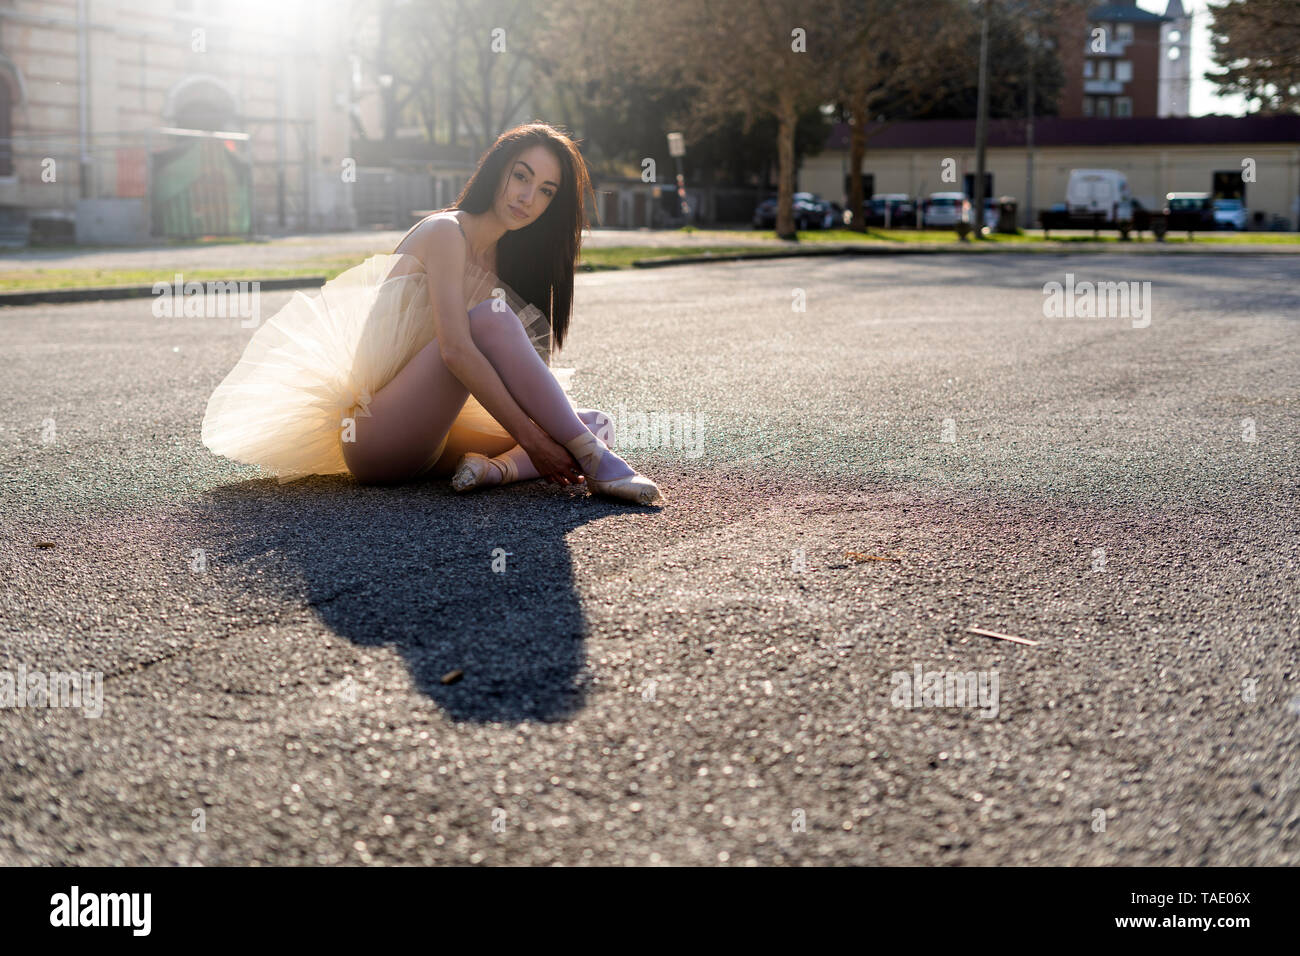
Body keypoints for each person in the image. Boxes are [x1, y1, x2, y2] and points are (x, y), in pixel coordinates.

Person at [201, 122, 664, 505]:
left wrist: (539, 435)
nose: (527, 197)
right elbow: (456, 350)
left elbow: (516, 377)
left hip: (438, 439)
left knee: (596, 421)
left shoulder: (506, 263)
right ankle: (597, 461)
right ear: (497, 169)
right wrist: (535, 439)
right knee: (492, 324)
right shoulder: (447, 233)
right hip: (377, 434)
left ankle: (494, 471)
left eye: (545, 191)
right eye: (521, 176)